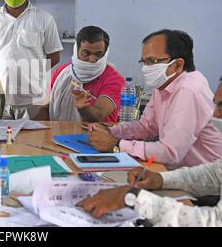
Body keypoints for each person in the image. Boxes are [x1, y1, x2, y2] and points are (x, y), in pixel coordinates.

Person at [77, 77, 222, 227]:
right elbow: (215, 173)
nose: (215, 114)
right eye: (215, 105)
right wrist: (161, 179)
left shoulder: (189, 91)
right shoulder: (164, 86)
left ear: (177, 64)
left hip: (207, 199)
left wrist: (131, 198)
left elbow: (212, 222)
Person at [88, 30, 222, 169]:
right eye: (144, 62)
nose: (146, 68)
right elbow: (146, 126)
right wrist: (112, 131)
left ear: (177, 65)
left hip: (205, 182)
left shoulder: (189, 90)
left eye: (151, 61)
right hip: (176, 171)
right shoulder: (164, 83)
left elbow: (170, 152)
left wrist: (116, 144)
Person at [0, 0, 63, 120]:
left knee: (32, 141)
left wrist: (32, 72)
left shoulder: (44, 19)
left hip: (33, 98)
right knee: (1, 141)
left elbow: (55, 55)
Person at [34, 26, 124, 122]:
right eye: (86, 53)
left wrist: (82, 108)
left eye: (98, 54)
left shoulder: (113, 79)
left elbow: (99, 114)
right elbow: (46, 109)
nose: (92, 60)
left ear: (105, 53)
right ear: (76, 50)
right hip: (59, 135)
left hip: (97, 135)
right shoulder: (61, 73)